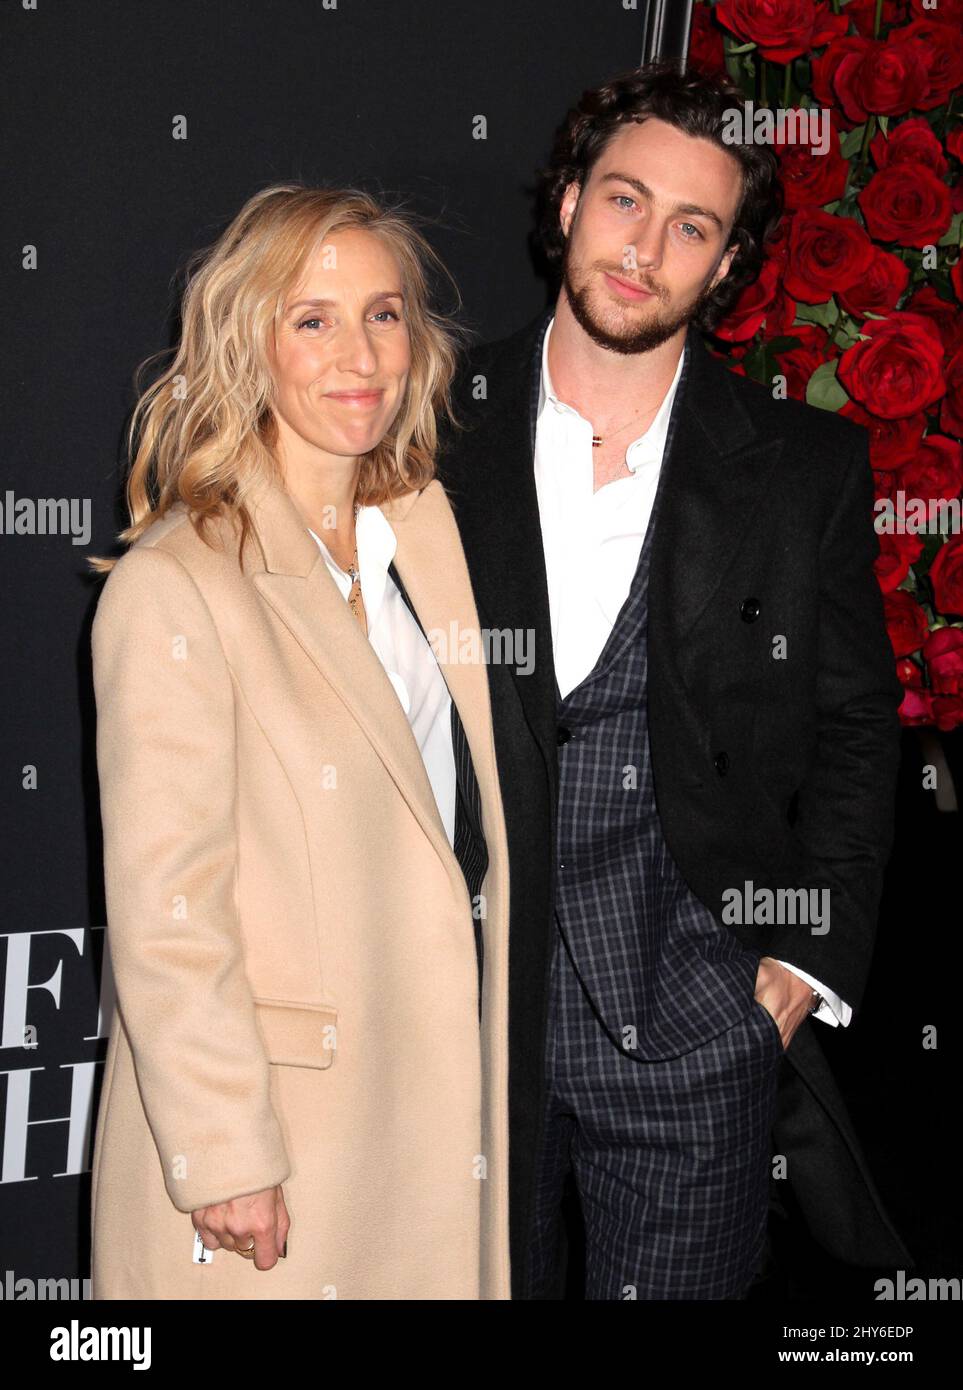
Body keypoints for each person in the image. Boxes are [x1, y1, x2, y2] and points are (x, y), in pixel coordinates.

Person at [436, 61, 912, 1300]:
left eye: (690, 226)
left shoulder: (805, 469)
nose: (644, 249)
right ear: (566, 205)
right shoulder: (428, 422)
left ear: (727, 264)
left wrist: (805, 962)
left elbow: (859, 726)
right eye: (623, 201)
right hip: (461, 1019)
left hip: (696, 1029)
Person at [87, 184, 511, 1299]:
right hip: (279, 1136)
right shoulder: (175, 583)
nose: (359, 353)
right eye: (312, 319)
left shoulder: (428, 539)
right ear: (247, 345)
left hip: (431, 1106)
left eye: (383, 313)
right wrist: (223, 1151)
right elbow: (167, 905)